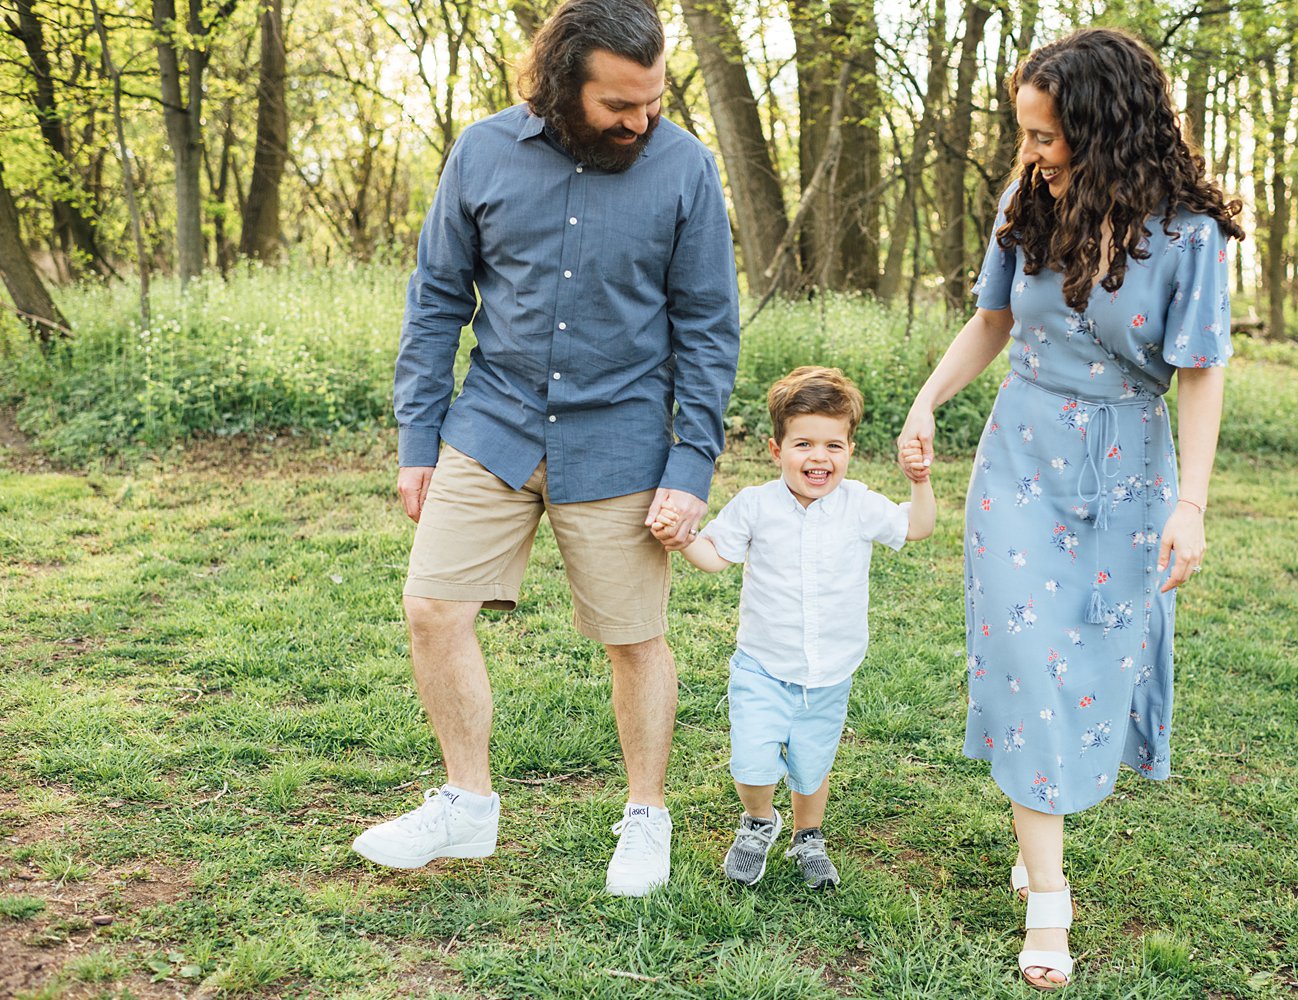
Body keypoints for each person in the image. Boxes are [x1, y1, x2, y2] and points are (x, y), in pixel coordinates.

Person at [352, 0, 739, 898]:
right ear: (563, 86)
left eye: (652, 100)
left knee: (633, 636)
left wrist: (690, 465)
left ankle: (646, 814)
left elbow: (708, 331)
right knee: (432, 609)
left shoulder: (684, 167)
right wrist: (419, 439)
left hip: (622, 435)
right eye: (619, 105)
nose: (641, 121)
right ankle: (465, 804)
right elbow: (436, 299)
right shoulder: (481, 153)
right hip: (492, 424)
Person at [899, 28, 1243, 990]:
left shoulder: (1190, 235)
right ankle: (1049, 895)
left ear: (1105, 129)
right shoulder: (1027, 202)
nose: (1031, 153)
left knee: (1089, 653)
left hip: (1127, 467)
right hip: (1018, 456)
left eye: (1047, 137)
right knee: (1023, 656)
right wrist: (928, 400)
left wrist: (1193, 504)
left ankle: (1038, 818)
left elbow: (1201, 376)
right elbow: (995, 320)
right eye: (1025, 135)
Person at [652, 367, 935, 889]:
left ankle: (809, 835)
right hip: (763, 664)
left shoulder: (859, 506)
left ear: (851, 449)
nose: (819, 458)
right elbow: (715, 556)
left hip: (829, 672)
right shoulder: (756, 506)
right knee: (752, 762)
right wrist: (681, 539)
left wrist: (919, 481)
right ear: (775, 448)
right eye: (803, 443)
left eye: (834, 445)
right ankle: (759, 820)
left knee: (812, 764)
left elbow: (917, 527)